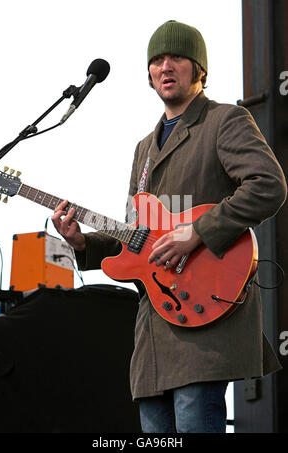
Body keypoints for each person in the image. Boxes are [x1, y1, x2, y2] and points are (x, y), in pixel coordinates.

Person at [52, 20, 287, 433]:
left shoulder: (225, 120)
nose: (165, 67)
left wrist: (197, 232)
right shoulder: (144, 149)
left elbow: (268, 185)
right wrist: (82, 242)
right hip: (155, 327)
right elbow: (136, 236)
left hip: (206, 314)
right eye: (157, 60)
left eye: (177, 57)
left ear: (199, 69)